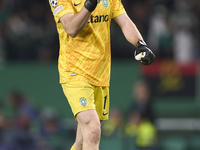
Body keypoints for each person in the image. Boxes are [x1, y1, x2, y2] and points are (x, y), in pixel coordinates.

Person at [48, 0, 155, 150]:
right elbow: (71, 28)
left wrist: (140, 44)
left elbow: (125, 22)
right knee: (93, 129)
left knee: (81, 142)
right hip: (74, 72)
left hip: (101, 74)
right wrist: (90, 4)